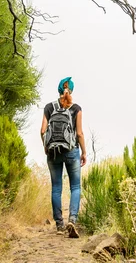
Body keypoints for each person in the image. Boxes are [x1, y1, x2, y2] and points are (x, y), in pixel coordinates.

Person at [41, 77, 87, 237]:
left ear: (59, 90)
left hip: (53, 151)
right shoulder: (76, 108)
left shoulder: (49, 107)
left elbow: (42, 131)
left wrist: (46, 147)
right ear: (71, 90)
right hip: (71, 151)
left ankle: (59, 224)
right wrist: (84, 152)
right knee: (75, 187)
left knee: (56, 188)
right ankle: (72, 220)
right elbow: (79, 133)